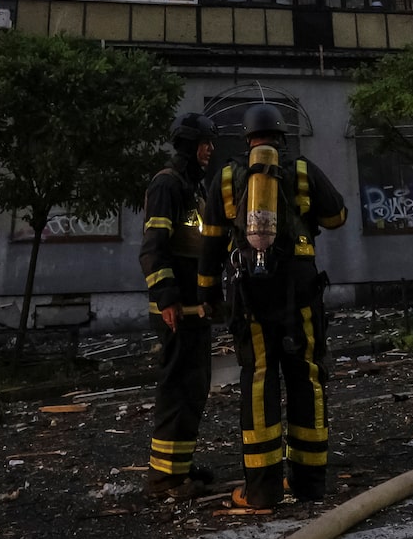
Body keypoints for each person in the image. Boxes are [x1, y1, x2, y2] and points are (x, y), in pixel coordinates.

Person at [200, 103, 347, 509]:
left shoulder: (226, 177)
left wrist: (209, 296)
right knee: (307, 376)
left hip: (250, 293)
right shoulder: (301, 170)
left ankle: (262, 489)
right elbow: (337, 216)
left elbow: (210, 242)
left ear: (247, 138)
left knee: (259, 378)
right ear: (282, 137)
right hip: (300, 291)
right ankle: (310, 483)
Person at [138, 112, 219, 499]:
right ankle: (164, 478)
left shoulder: (192, 186)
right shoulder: (167, 185)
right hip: (176, 311)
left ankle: (179, 467)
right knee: (176, 390)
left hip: (194, 310)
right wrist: (166, 297)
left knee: (194, 388)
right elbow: (153, 249)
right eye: (205, 143)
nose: (210, 149)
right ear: (190, 145)